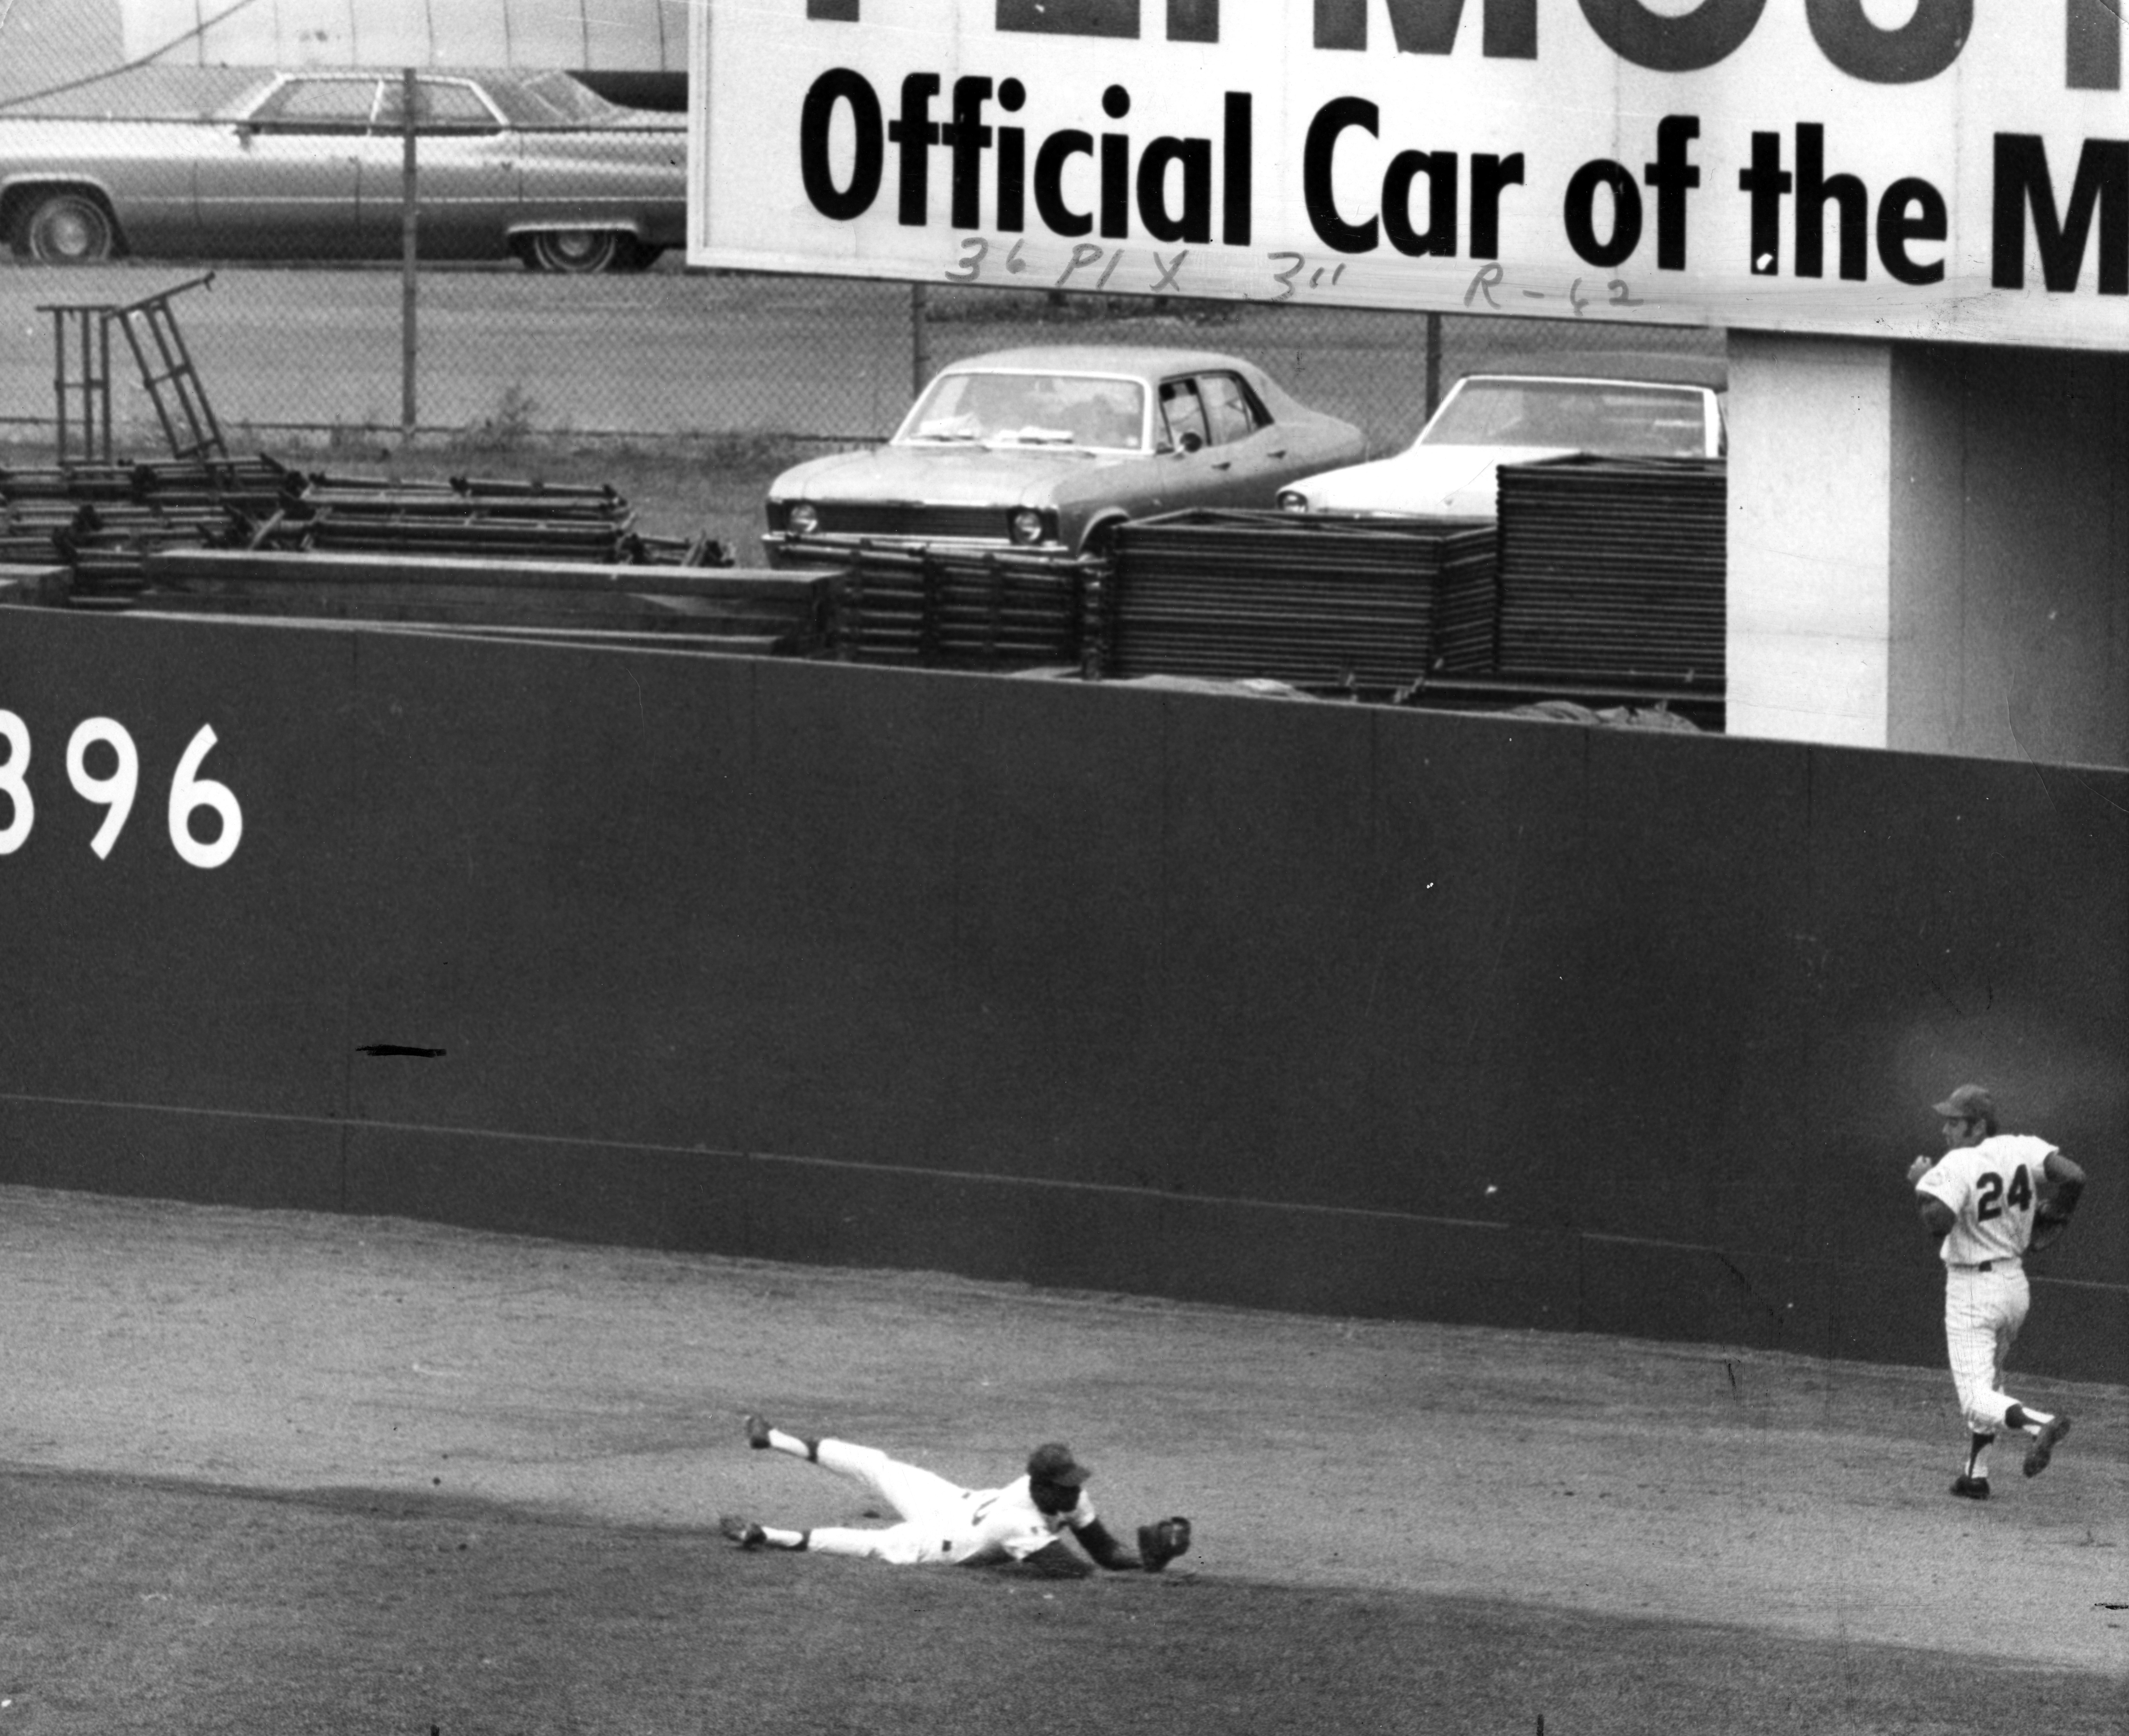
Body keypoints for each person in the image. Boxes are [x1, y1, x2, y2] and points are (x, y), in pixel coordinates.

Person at [718, 1415, 1188, 1575]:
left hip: (957, 1503)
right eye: (1065, 1485)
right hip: (944, 1536)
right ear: (1039, 1485)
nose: (1075, 1492)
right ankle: (774, 1437)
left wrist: (1140, 1562)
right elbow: (1073, 1571)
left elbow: (1104, 1553)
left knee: (878, 1499)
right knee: (877, 1513)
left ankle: (766, 1534)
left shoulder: (1067, 1496)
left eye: (1074, 1482)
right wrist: (1146, 1566)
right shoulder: (1016, 1522)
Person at [1906, 1084, 2086, 1500]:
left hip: (1972, 1289)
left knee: (1974, 1398)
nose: (1945, 1130)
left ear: (1978, 1126)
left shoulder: (1957, 1164)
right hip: (2013, 1288)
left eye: (1954, 1122)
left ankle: (2039, 1424)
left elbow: (1937, 1221)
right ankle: (1975, 1475)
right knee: (1990, 1385)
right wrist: (2056, 1211)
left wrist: (1921, 1184)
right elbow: (2074, 1176)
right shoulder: (2019, 1148)